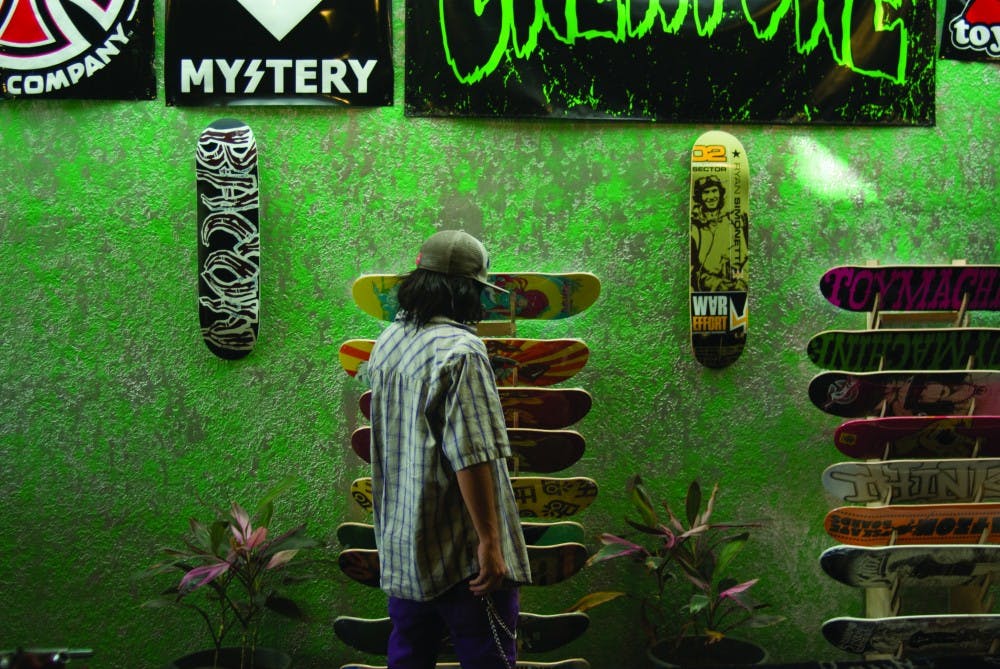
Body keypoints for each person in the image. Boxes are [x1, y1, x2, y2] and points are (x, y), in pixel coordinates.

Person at [364, 229, 532, 669]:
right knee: (488, 656)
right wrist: (490, 542)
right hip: (461, 557)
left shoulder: (388, 343)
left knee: (408, 656)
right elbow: (472, 455)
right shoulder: (462, 351)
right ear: (466, 291)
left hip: (405, 546)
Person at [690, 174, 748, 292]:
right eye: (706, 192)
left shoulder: (736, 219)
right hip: (711, 293)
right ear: (699, 196)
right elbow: (693, 272)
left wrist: (740, 281)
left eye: (714, 191)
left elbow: (750, 255)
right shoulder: (694, 228)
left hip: (740, 285)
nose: (711, 197)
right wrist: (718, 284)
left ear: (720, 193)